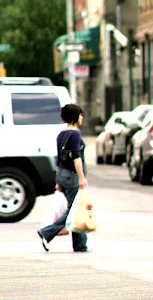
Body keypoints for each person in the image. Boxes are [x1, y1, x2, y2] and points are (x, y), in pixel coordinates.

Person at [37, 103, 89, 252]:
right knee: (75, 210)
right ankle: (47, 232)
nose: (82, 117)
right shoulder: (75, 133)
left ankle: (80, 244)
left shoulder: (61, 134)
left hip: (62, 174)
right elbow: (76, 158)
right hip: (72, 175)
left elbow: (59, 159)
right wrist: (82, 177)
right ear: (75, 117)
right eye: (80, 115)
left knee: (74, 207)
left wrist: (58, 181)